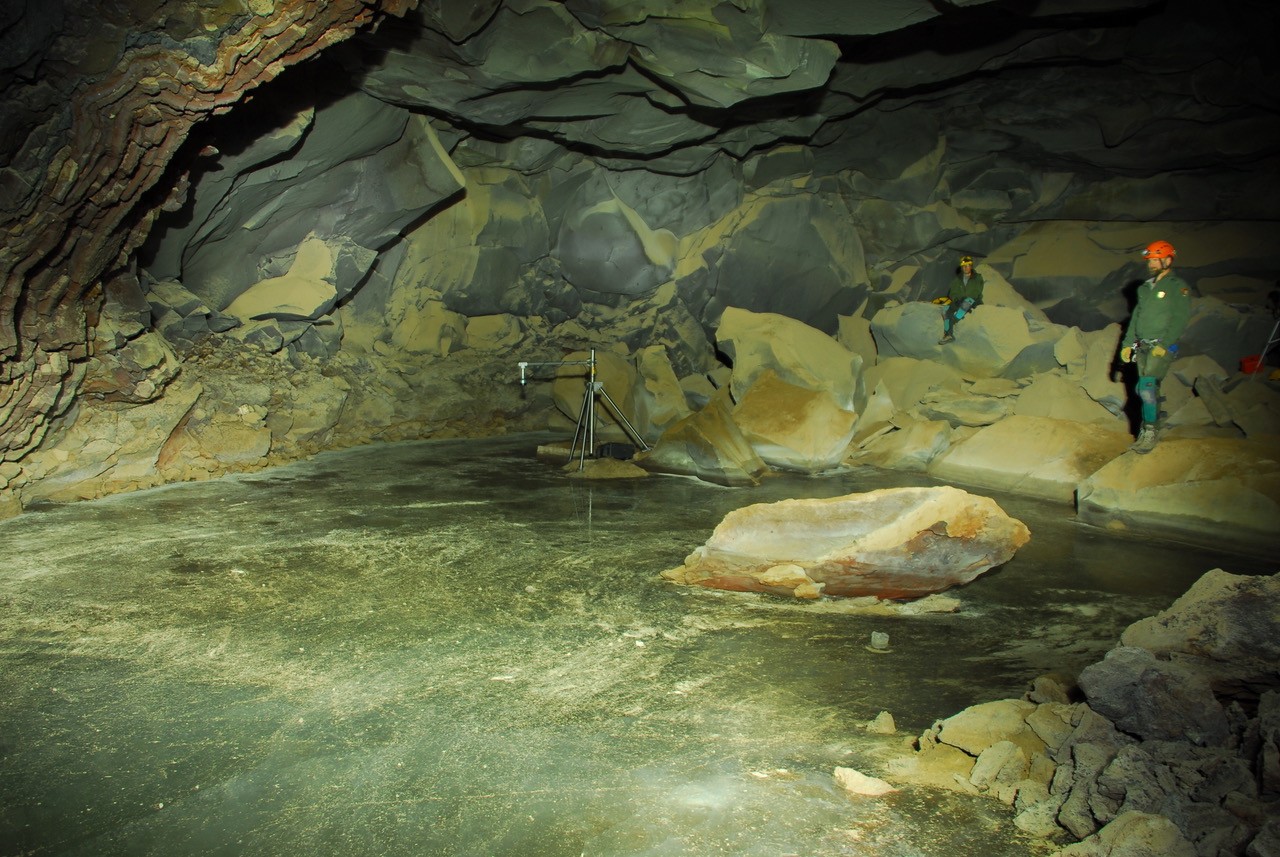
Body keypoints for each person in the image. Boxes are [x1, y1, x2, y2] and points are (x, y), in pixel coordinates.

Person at [1119, 239, 1193, 454]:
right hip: (1142, 346)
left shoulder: (1177, 287)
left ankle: (1151, 432)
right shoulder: (1145, 288)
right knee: (1141, 389)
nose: (1150, 264)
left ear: (1168, 259)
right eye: (1149, 260)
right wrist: (1127, 344)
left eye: (1154, 260)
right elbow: (1136, 318)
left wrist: (1166, 343)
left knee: (1147, 388)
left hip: (1160, 346)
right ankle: (1145, 430)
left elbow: (1180, 319)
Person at [937, 255, 984, 343]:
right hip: (960, 301)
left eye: (968, 266)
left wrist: (964, 298)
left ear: (971, 266)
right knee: (946, 309)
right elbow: (953, 292)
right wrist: (956, 299)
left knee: (966, 303)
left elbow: (976, 291)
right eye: (964, 266)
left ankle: (955, 320)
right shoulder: (957, 279)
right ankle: (948, 334)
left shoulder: (977, 278)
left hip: (973, 301)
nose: (966, 268)